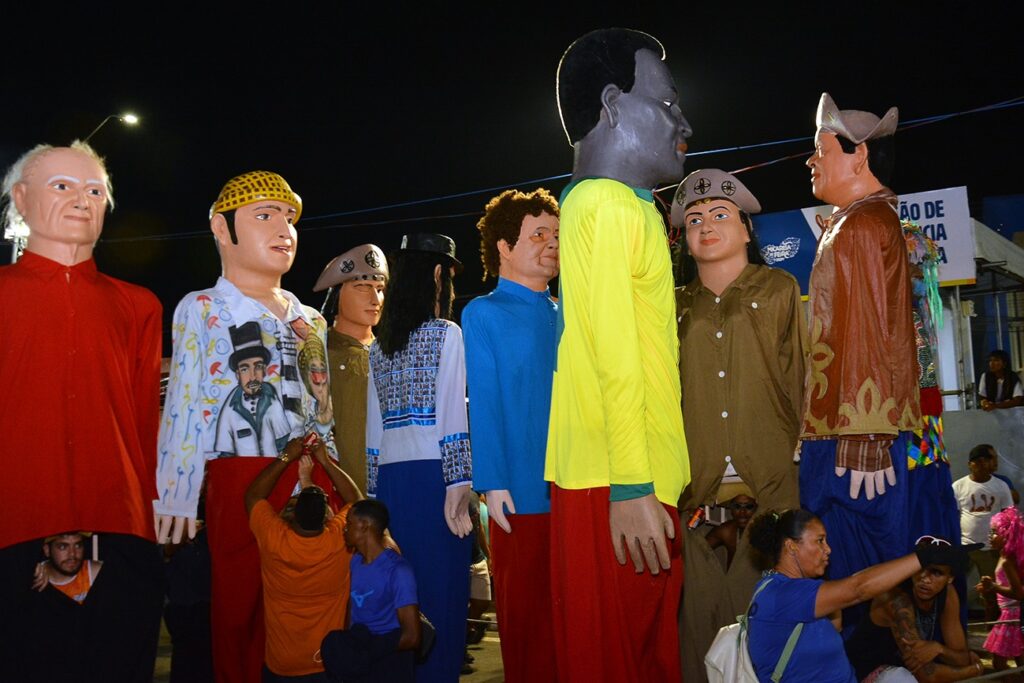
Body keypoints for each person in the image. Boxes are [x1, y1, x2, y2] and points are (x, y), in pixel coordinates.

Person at [547, 28, 692, 682]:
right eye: (666, 105)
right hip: (613, 485)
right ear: (612, 105)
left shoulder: (630, 206)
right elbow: (612, 351)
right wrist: (633, 484)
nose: (682, 120)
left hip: (639, 482)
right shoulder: (602, 205)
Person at [156, 170, 339, 683]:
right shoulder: (204, 309)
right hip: (240, 476)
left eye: (288, 218)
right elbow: (186, 404)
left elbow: (322, 406)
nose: (284, 229)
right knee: (238, 607)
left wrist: (337, 477)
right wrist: (175, 491)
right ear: (221, 228)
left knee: (312, 608)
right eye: (264, 215)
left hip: (311, 476)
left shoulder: (311, 320)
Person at [0, 142, 164, 683]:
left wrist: (157, 502)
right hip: (13, 521)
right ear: (21, 200)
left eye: (94, 190)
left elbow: (146, 418)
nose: (81, 200)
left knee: (118, 662)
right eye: (62, 187)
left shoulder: (139, 306)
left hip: (118, 523)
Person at [799, 94, 960, 626]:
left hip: (859, 437)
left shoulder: (864, 225)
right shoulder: (862, 221)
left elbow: (874, 329)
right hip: (855, 428)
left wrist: (866, 434)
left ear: (859, 156)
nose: (810, 160)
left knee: (862, 586)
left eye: (819, 148)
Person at [672, 168, 805, 682]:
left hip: (772, 486)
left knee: (775, 630)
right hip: (695, 499)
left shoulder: (779, 289)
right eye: (695, 220)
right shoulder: (675, 305)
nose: (706, 226)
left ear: (747, 229)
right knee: (699, 638)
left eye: (720, 215)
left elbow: (800, 374)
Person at [365, 232, 473, 683]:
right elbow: (452, 414)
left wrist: (373, 498)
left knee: (400, 601)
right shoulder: (446, 334)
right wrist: (460, 483)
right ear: (437, 274)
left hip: (391, 487)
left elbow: (373, 430)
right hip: (437, 483)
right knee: (441, 599)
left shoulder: (378, 348)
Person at [462, 187, 559, 683]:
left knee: (571, 618)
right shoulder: (483, 313)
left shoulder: (566, 312)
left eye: (556, 235)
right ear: (504, 246)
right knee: (526, 619)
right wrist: (493, 480)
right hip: (519, 496)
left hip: (577, 488)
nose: (551, 243)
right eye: (538, 234)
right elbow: (484, 400)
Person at [746, 509, 976, 683]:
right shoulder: (781, 594)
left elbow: (836, 624)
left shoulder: (803, 591)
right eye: (819, 541)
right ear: (791, 547)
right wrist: (926, 557)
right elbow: (858, 588)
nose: (828, 549)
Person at [245, 433, 362, 681]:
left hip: (281, 664)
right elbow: (355, 501)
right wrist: (326, 461)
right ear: (327, 517)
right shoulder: (338, 541)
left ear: (293, 515)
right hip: (325, 662)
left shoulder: (275, 539)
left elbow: (253, 496)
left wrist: (286, 456)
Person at [845, 536, 981, 682]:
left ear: (950, 578)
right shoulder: (896, 599)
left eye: (936, 573)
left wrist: (939, 648)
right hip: (862, 673)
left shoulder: (948, 594)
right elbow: (926, 675)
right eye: (920, 568)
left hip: (900, 669)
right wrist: (974, 670)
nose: (925, 578)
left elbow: (961, 658)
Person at [313, 243, 389, 494]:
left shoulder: (393, 352)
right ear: (337, 294)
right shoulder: (318, 351)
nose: (375, 299)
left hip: (394, 484)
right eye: (362, 288)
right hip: (339, 490)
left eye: (380, 289)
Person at [321, 499, 420, 683]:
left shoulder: (398, 571)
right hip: (362, 663)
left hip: (389, 664)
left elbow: (412, 636)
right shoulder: (355, 562)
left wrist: (367, 652)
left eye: (349, 524)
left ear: (365, 525)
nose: (345, 529)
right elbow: (353, 608)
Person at [952, 444, 1014, 597]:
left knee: (991, 591)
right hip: (965, 546)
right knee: (954, 585)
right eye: (977, 462)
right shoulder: (959, 486)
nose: (981, 465)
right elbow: (953, 516)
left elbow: (1009, 516)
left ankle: (992, 620)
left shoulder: (1001, 486)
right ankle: (958, 618)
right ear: (969, 464)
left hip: (990, 548)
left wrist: (1005, 542)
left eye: (985, 461)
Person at [977, 507, 1024, 677]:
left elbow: (1019, 594)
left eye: (994, 532)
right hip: (1010, 613)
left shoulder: (1007, 561)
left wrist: (994, 587)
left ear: (1006, 535)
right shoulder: (1005, 556)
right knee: (1018, 660)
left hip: (1012, 616)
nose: (990, 536)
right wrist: (990, 587)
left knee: (1000, 662)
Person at [32, 532, 102, 604]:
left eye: (78, 545)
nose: (72, 554)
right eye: (63, 547)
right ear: (47, 550)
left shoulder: (94, 572)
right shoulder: (36, 575)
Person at [705, 494, 758, 570]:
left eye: (749, 507)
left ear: (756, 509)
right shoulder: (726, 531)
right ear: (731, 510)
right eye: (737, 507)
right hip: (735, 580)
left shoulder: (765, 530)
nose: (742, 512)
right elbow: (698, 551)